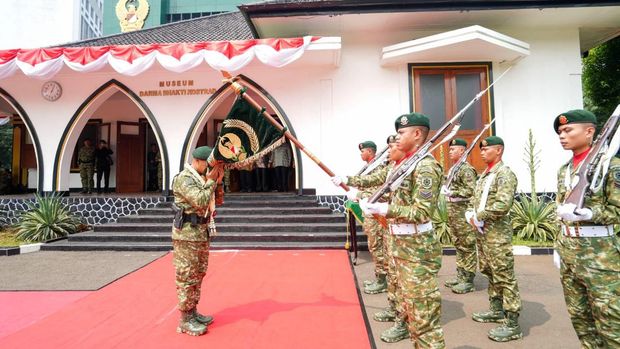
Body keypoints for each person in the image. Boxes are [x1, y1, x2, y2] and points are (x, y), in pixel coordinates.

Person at [339, 113, 446, 347]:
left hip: (417, 250)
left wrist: (384, 208)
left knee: (423, 317)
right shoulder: (405, 165)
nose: (396, 139)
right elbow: (378, 181)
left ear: (417, 134)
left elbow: (422, 211)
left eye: (401, 133)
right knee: (411, 310)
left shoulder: (425, 167)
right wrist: (348, 182)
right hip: (400, 246)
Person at [554, 109, 620, 348]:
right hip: (570, 254)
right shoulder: (564, 170)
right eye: (560, 132)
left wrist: (592, 214)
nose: (562, 135)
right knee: (580, 319)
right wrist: (558, 246)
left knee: (611, 323)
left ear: (590, 131)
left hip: (601, 258)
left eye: (568, 130)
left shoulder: (611, 167)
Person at [466, 136, 522, 342]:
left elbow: (503, 205)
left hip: (497, 236)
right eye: (481, 149)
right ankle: (496, 309)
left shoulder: (504, 174)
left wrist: (478, 216)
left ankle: (513, 322)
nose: (482, 152)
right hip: (483, 234)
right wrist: (470, 214)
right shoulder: (484, 176)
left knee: (504, 275)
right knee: (490, 271)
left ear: (499, 150)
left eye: (486, 149)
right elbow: (476, 200)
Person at [171, 146, 224, 336]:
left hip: (200, 233)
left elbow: (218, 201)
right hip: (186, 235)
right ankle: (185, 319)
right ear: (199, 161)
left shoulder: (201, 178)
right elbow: (200, 201)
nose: (210, 169)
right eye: (209, 165)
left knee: (199, 273)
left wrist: (218, 181)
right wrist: (211, 180)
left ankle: (192, 312)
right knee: (187, 276)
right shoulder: (184, 179)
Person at [335, 141, 388, 295]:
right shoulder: (370, 166)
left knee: (378, 246)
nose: (361, 154)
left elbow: (377, 189)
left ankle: (383, 280)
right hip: (369, 209)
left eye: (363, 151)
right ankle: (380, 277)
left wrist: (359, 195)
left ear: (370, 152)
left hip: (376, 211)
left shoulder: (379, 167)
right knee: (374, 246)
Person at [442, 138, 479, 294]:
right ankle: (461, 275)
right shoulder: (454, 169)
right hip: (453, 211)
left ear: (462, 151)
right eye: (450, 149)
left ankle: (468, 279)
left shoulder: (466, 169)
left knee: (467, 244)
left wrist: (453, 192)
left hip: (462, 211)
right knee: (459, 244)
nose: (450, 152)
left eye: (453, 149)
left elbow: (472, 191)